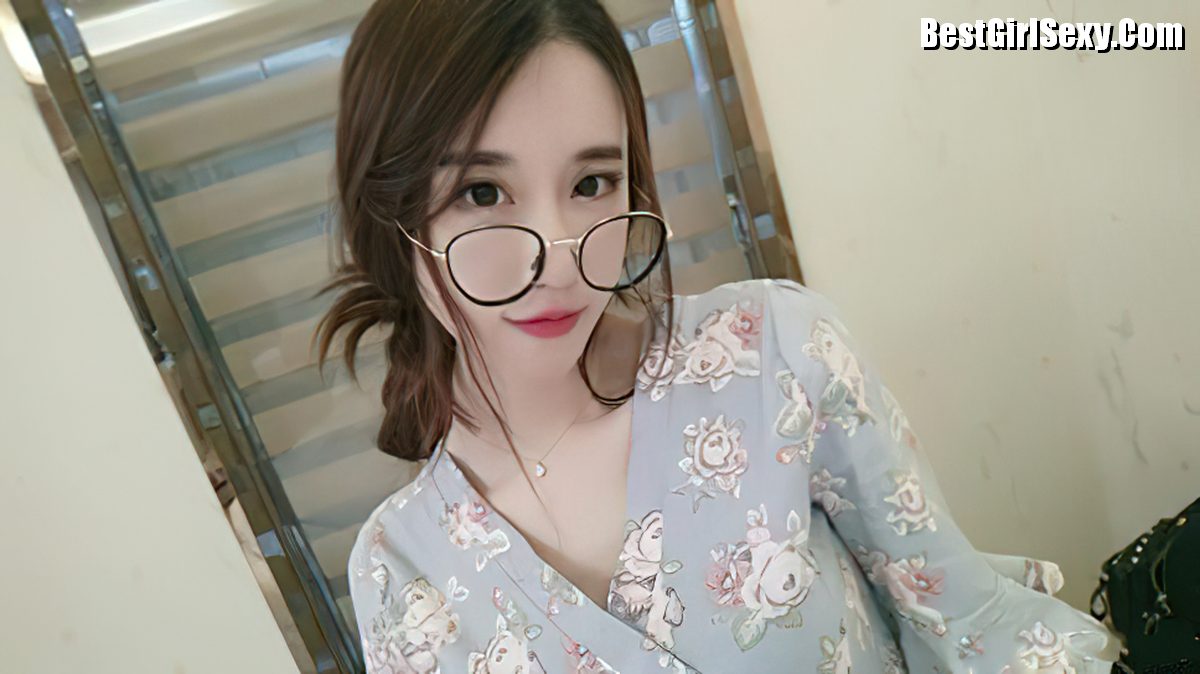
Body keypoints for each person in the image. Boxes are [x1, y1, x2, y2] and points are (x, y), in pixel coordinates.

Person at [317, 1, 1121, 671]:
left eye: (592, 182)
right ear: (388, 213)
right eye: (482, 191)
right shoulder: (400, 573)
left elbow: (975, 629)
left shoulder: (773, 355)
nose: (561, 259)